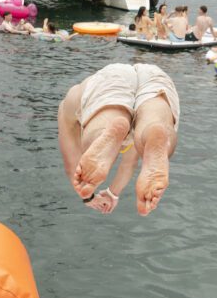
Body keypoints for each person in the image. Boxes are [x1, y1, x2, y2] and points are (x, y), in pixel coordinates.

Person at [57, 63, 180, 216]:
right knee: (154, 114)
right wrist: (113, 193)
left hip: (113, 76)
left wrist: (88, 198)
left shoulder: (69, 103)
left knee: (102, 119)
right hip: (153, 75)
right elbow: (129, 164)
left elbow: (72, 163)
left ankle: (101, 133)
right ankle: (155, 131)